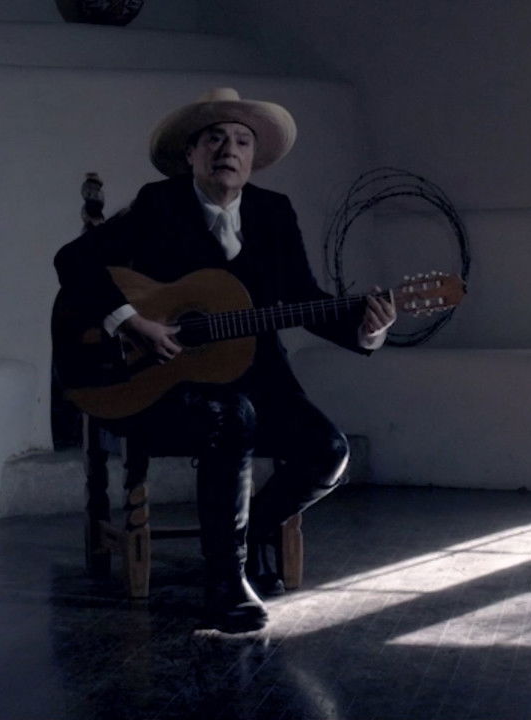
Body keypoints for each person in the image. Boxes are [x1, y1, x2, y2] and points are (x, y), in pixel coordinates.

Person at [54, 88, 396, 633]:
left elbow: (302, 297)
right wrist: (132, 321)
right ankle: (225, 578)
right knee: (230, 414)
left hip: (260, 378)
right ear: (190, 154)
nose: (228, 150)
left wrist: (367, 329)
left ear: (254, 157)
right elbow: (73, 260)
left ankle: (255, 531)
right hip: (160, 383)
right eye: (213, 139)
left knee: (328, 452)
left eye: (241, 140)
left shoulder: (273, 212)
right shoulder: (158, 203)